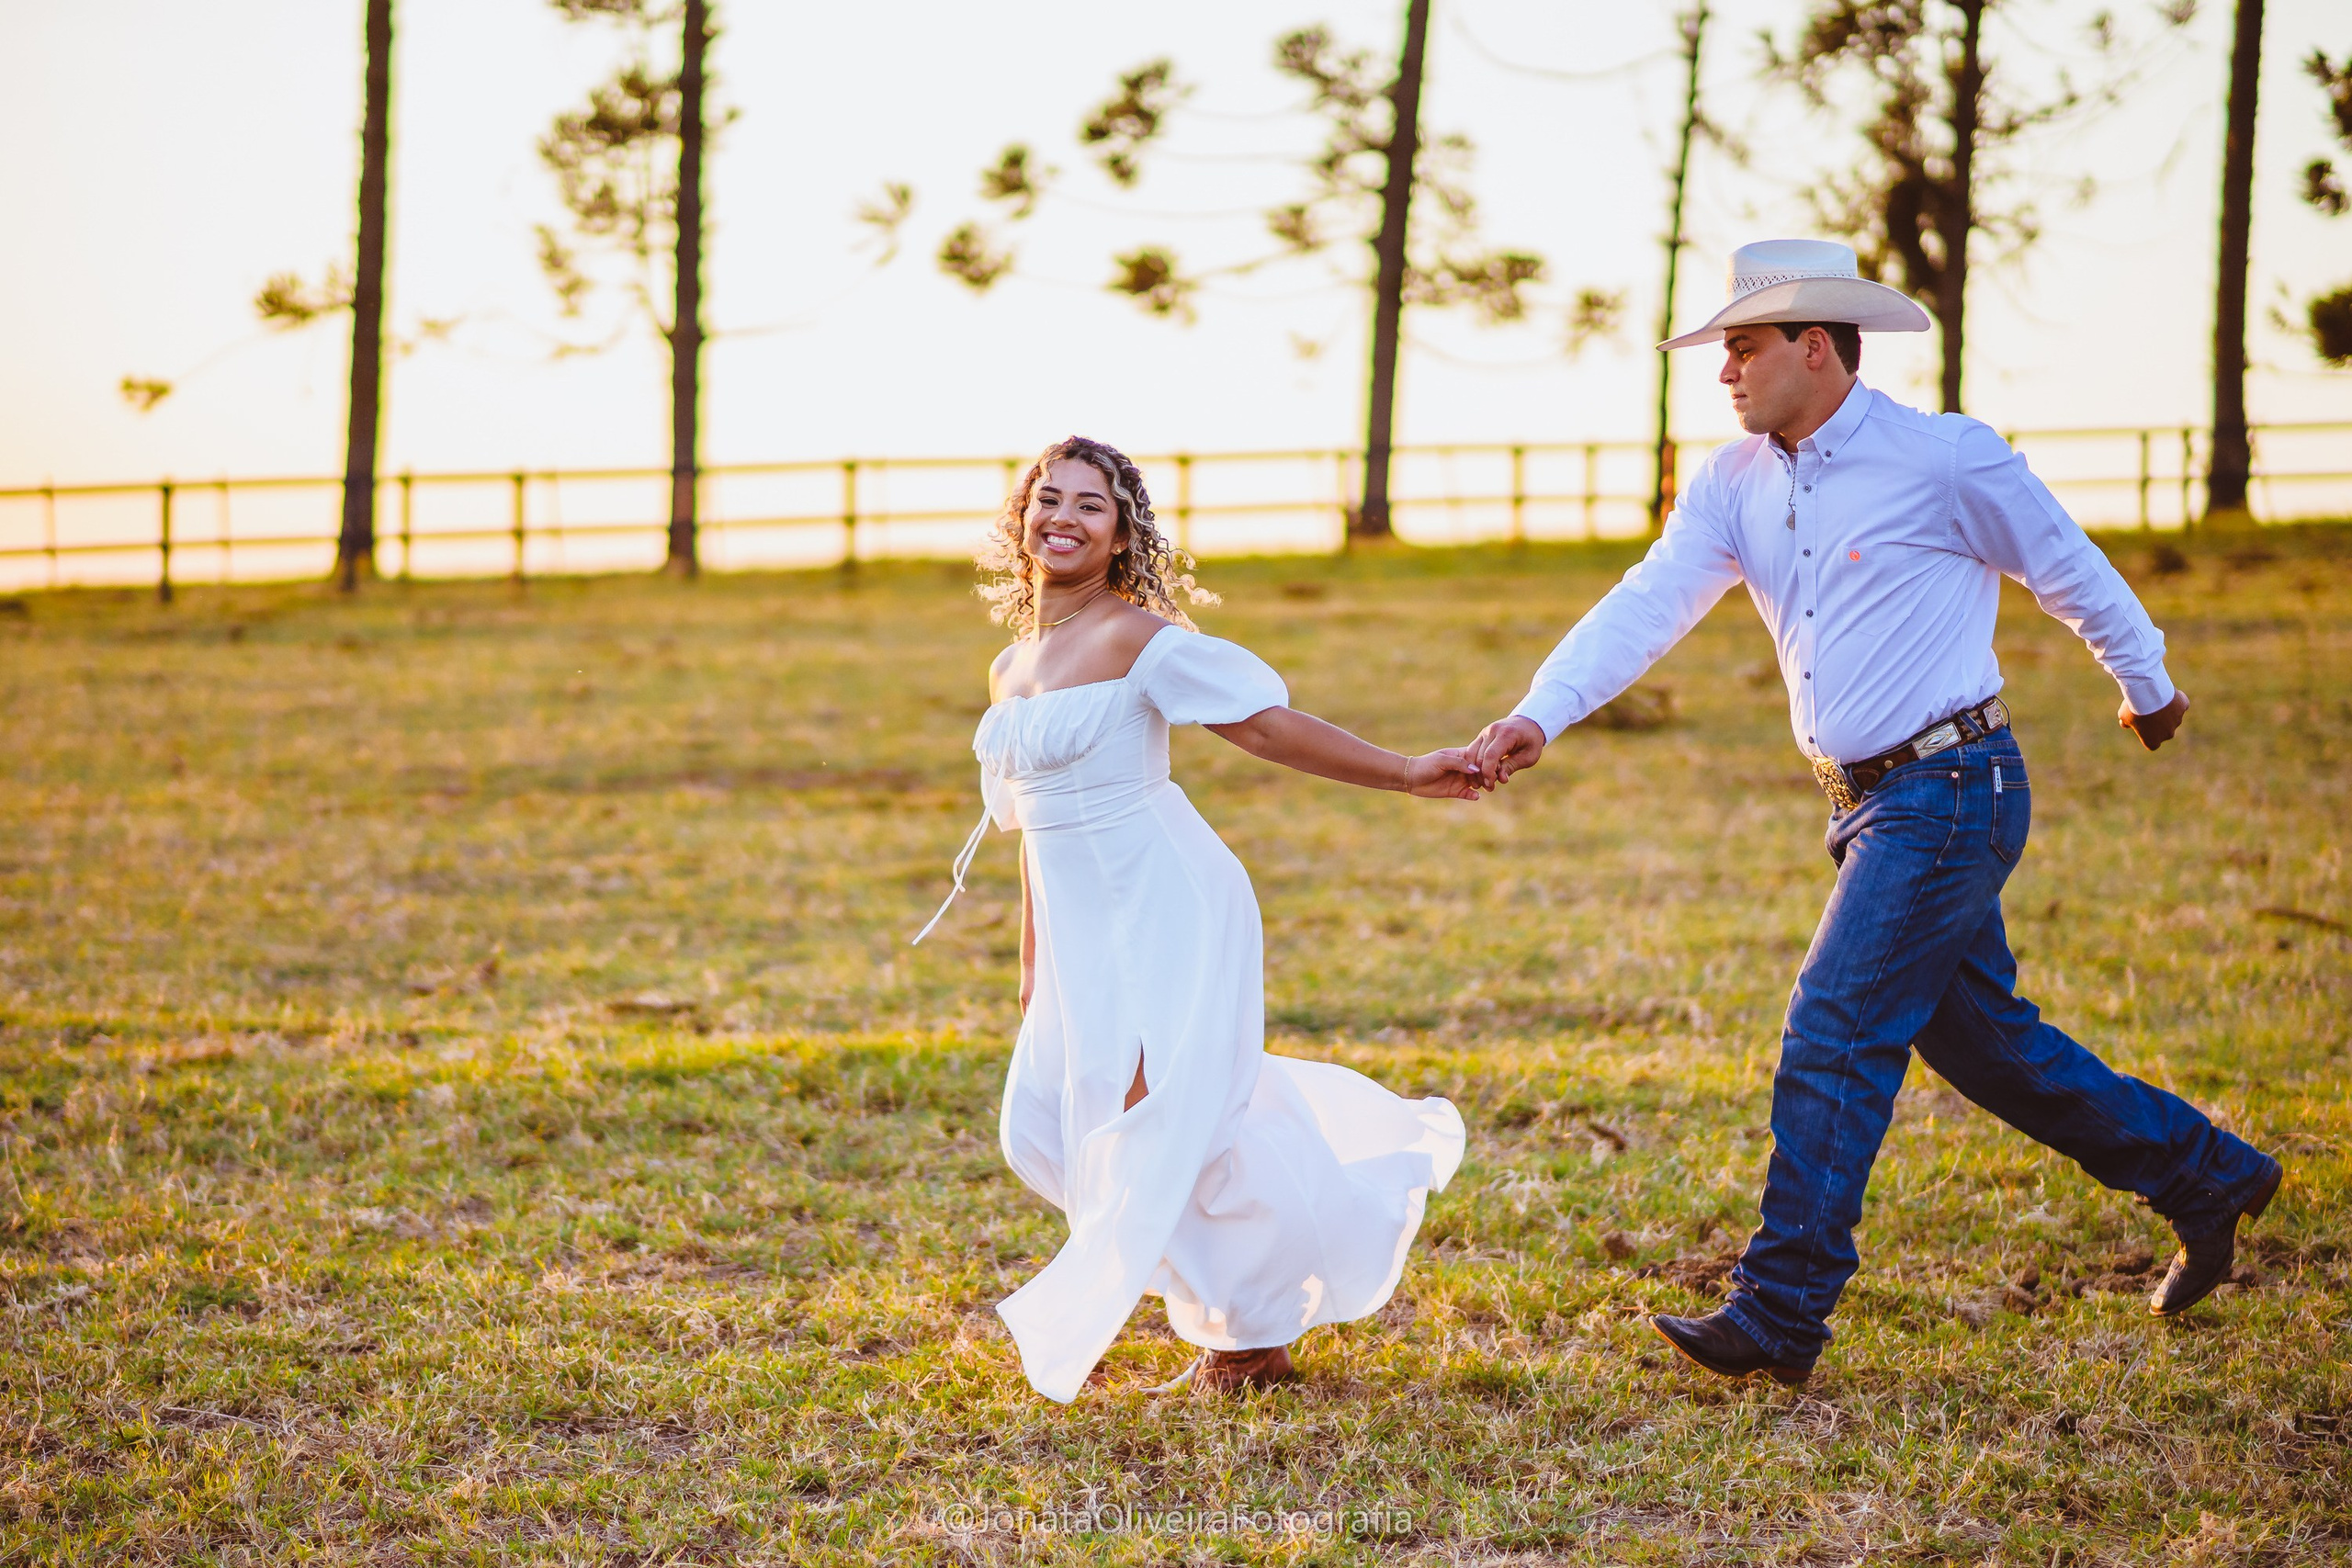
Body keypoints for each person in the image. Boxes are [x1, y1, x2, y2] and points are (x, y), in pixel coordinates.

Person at [1464, 240, 2283, 1385]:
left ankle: (1780, 1309)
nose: (1724, 373)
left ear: (1816, 346)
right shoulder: (1734, 481)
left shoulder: (1941, 458)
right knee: (1998, 1054)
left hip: (1954, 785)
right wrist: (1536, 716)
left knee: (1834, 1025)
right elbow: (1643, 604)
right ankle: (2211, 1177)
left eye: (1742, 349)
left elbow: (2067, 567)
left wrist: (2143, 684)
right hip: (1863, 807)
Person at [916, 434, 1473, 1402]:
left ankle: (1247, 1342)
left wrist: (1404, 772)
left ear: (1122, 531)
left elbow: (1258, 725)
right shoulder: (1010, 668)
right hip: (1078, 925)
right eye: (1049, 499)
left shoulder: (1135, 637)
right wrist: (1033, 966)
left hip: (1165, 898)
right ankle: (1246, 1297)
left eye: (1092, 505)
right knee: (1039, 1127)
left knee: (1164, 1116)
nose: (1065, 518)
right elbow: (1030, 837)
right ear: (1021, 518)